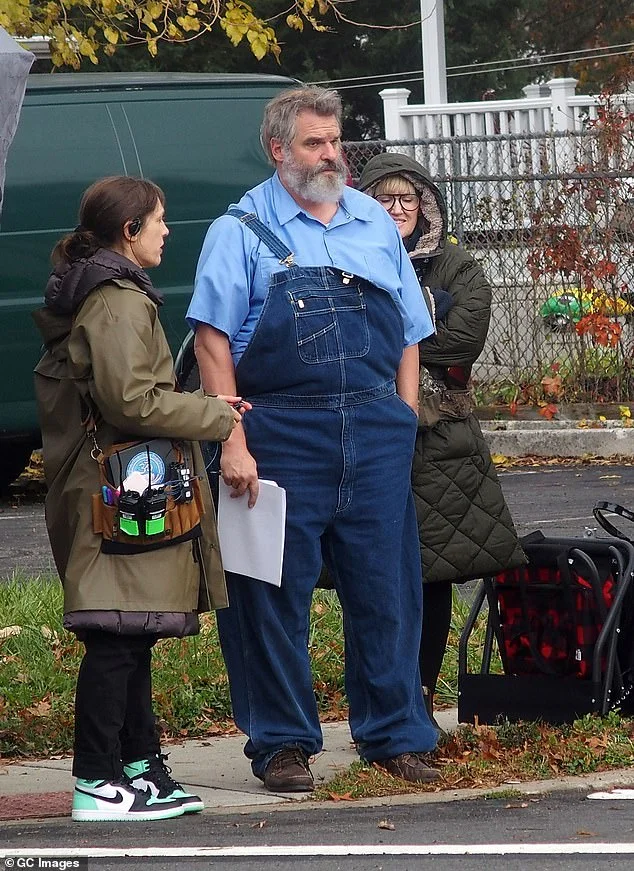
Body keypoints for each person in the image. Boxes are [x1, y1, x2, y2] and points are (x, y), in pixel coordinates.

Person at [186, 86, 441, 792]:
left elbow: (410, 330)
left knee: (387, 589)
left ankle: (395, 735)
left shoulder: (373, 221)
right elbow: (211, 342)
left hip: (375, 426)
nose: (332, 155)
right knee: (267, 593)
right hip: (277, 430)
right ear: (278, 150)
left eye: (335, 141)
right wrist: (233, 440)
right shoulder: (239, 229)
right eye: (314, 143)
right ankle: (282, 743)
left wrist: (403, 416)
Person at [32, 176, 245, 822]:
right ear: (129, 231)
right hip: (119, 491)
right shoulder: (118, 301)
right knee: (117, 637)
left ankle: (139, 767)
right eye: (158, 220)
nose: (167, 230)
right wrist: (212, 413)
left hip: (121, 486)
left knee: (133, 629)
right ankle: (98, 780)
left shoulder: (108, 290)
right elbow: (131, 400)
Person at [358, 153, 526, 723]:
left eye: (407, 198)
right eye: (384, 199)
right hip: (368, 434)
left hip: (442, 446)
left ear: (426, 204)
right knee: (373, 576)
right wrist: (424, 316)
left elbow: (462, 341)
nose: (397, 208)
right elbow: (341, 337)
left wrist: (391, 330)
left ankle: (422, 702)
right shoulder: (348, 257)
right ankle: (383, 703)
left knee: (431, 578)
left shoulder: (458, 266)